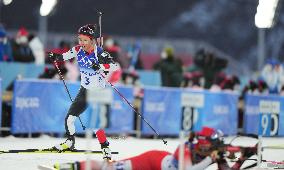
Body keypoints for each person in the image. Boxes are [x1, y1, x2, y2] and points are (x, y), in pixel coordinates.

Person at [47, 24, 118, 160]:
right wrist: (55, 56)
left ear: (92, 40)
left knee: (96, 125)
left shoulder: (100, 53)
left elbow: (114, 66)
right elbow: (64, 56)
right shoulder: (77, 50)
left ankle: (105, 148)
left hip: (97, 92)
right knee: (69, 119)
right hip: (84, 90)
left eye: (85, 40)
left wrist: (101, 66)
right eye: (80, 39)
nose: (82, 43)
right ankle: (69, 142)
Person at [49, 127, 257, 170]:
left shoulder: (212, 152)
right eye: (215, 143)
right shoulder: (186, 147)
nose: (218, 147)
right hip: (152, 161)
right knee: (109, 169)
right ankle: (71, 167)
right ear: (204, 143)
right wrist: (211, 159)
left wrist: (243, 156)